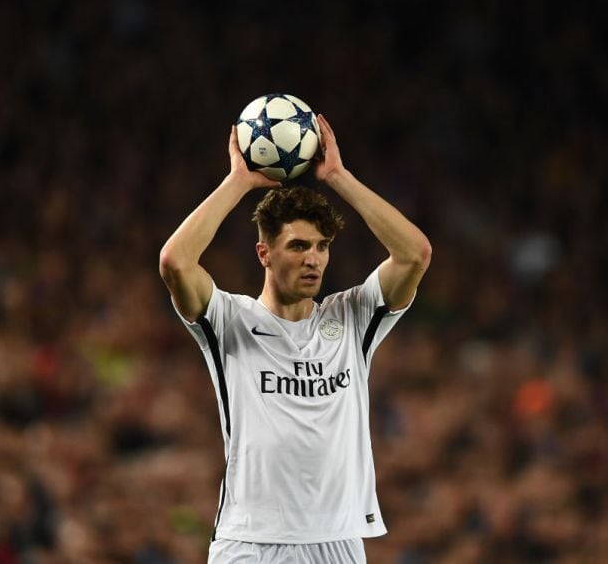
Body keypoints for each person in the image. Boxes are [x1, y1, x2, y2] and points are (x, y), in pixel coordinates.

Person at [159, 114, 431, 563]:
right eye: (299, 246)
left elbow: (415, 254)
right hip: (250, 543)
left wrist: (339, 177)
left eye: (322, 246)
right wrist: (238, 183)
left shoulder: (352, 318)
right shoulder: (229, 319)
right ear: (264, 253)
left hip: (336, 540)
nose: (314, 260)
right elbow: (175, 262)